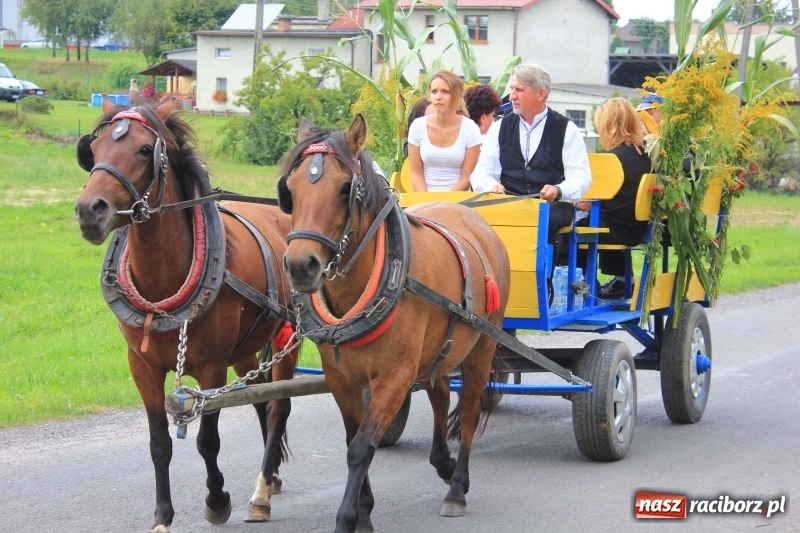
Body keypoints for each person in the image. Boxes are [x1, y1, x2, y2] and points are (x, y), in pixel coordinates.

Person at [470, 63, 592, 245]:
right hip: (509, 202)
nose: (512, 96)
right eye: (512, 89)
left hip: (552, 206)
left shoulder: (567, 129)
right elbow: (481, 172)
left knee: (543, 220)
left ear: (540, 94)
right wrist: (491, 185)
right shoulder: (499, 128)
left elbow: (581, 177)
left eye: (519, 90)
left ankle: (541, 272)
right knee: (479, 218)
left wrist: (559, 190)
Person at [591, 98, 653, 299]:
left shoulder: (611, 160)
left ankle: (584, 283)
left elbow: (586, 201)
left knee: (570, 228)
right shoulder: (647, 155)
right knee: (606, 215)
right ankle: (622, 279)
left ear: (607, 125)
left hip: (615, 231)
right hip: (638, 229)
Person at [407, 70, 482, 191]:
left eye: (445, 92)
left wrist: (445, 204)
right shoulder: (417, 126)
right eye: (434, 91)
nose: (438, 97)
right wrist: (426, 203)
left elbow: (467, 178)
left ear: (457, 96)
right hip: (424, 200)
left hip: (458, 200)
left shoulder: (470, 129)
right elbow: (416, 174)